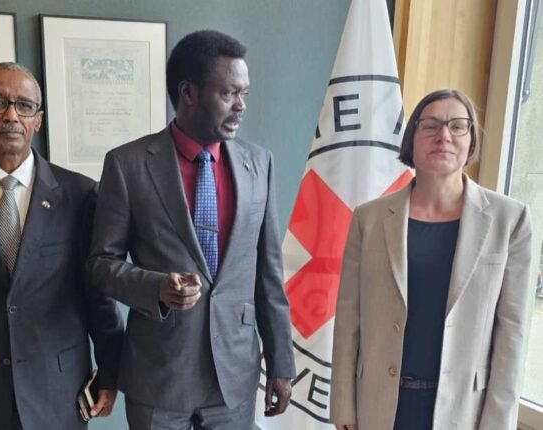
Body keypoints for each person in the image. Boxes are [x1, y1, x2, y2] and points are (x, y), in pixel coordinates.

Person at [87, 30, 295, 430]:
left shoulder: (259, 164)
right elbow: (101, 265)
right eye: (229, 93)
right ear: (188, 93)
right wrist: (156, 288)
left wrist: (281, 363)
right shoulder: (128, 165)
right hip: (159, 378)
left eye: (244, 93)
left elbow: (268, 273)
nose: (241, 106)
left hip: (233, 379)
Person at [0, 62, 124, 430]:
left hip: (59, 385)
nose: (11, 115)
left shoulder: (79, 194)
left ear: (38, 120)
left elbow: (97, 293)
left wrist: (110, 372)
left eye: (24, 106)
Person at [331, 89, 533, 429]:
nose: (444, 135)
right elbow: (349, 319)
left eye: (457, 126)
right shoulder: (370, 218)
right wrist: (343, 408)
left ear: (471, 139)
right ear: (412, 139)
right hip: (378, 406)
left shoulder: (510, 221)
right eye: (431, 125)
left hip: (464, 412)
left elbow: (512, 335)